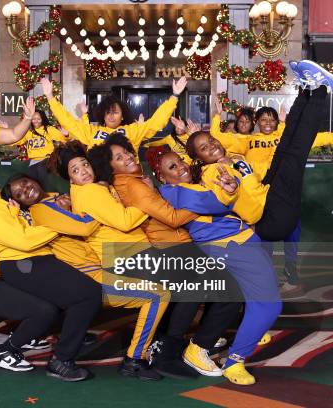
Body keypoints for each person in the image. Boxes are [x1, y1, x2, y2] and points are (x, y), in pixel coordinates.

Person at [85, 132, 243, 379]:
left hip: (171, 245)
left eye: (126, 151)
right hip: (169, 246)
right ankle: (181, 349)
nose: (127, 156)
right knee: (222, 290)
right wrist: (211, 198)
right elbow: (171, 217)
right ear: (110, 166)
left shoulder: (134, 181)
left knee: (204, 288)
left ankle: (180, 344)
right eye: (118, 157)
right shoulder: (133, 184)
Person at [1, 174, 185, 380]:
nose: (26, 189)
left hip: (99, 265)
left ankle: (154, 347)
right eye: (20, 193)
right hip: (88, 276)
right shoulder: (41, 209)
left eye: (25, 183)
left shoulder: (54, 198)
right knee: (157, 295)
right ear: (20, 202)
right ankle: (135, 360)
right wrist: (99, 207)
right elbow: (85, 226)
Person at [146, 148, 282, 385]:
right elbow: (216, 203)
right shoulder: (175, 191)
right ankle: (231, 359)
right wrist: (230, 188)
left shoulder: (191, 182)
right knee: (268, 304)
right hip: (229, 246)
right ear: (162, 178)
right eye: (173, 167)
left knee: (255, 300)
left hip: (239, 240)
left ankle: (246, 334)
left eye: (180, 161)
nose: (182, 167)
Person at [0, 162, 102, 382]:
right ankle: (62, 360)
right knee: (88, 294)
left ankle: (41, 342)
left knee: (52, 307)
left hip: (31, 260)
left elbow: (21, 228)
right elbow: (22, 241)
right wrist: (57, 225)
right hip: (23, 262)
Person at [184, 61, 333, 241]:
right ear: (199, 159)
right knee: (296, 153)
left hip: (267, 192)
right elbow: (223, 193)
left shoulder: (232, 154)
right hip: (270, 218)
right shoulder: (211, 172)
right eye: (204, 148)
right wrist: (230, 187)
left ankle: (306, 90)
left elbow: (223, 143)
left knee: (286, 144)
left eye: (211, 141)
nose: (212, 145)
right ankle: (322, 89)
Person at [40, 77, 186, 150]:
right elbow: (68, 122)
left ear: (122, 116)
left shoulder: (133, 130)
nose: (111, 116)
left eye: (115, 112)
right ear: (103, 115)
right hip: (101, 182)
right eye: (108, 113)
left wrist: (174, 96)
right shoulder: (92, 131)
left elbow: (157, 121)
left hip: (129, 179)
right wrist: (50, 98)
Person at [14, 110, 67, 185]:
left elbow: (62, 138)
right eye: (33, 119)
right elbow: (17, 140)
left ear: (42, 119)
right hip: (33, 161)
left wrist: (65, 135)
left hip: (46, 160)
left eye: (39, 119)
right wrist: (7, 131)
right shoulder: (29, 132)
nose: (36, 121)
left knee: (41, 172)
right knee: (33, 181)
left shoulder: (48, 129)